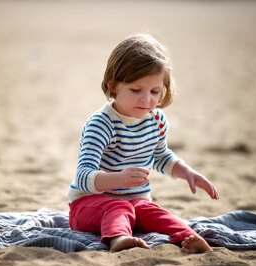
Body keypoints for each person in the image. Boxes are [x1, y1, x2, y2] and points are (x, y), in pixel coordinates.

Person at [67, 33, 219, 254]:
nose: (146, 99)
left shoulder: (156, 119)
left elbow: (160, 156)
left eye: (155, 91)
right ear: (113, 86)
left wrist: (186, 172)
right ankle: (119, 239)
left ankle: (190, 238)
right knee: (118, 205)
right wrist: (118, 179)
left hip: (135, 204)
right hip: (88, 205)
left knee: (154, 211)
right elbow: (82, 176)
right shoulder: (101, 124)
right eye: (136, 90)